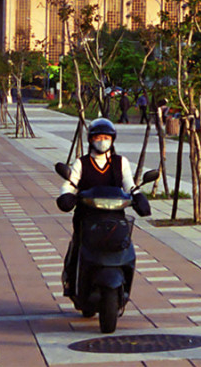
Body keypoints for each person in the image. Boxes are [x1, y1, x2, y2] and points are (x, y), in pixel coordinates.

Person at [55, 118, 134, 299]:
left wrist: (138, 196)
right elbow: (70, 184)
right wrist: (67, 195)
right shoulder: (81, 163)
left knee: (125, 246)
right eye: (98, 137)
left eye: (106, 138)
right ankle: (71, 280)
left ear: (112, 140)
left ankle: (124, 278)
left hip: (115, 219)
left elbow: (129, 184)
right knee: (78, 246)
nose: (102, 141)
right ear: (90, 140)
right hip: (87, 218)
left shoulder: (120, 162)